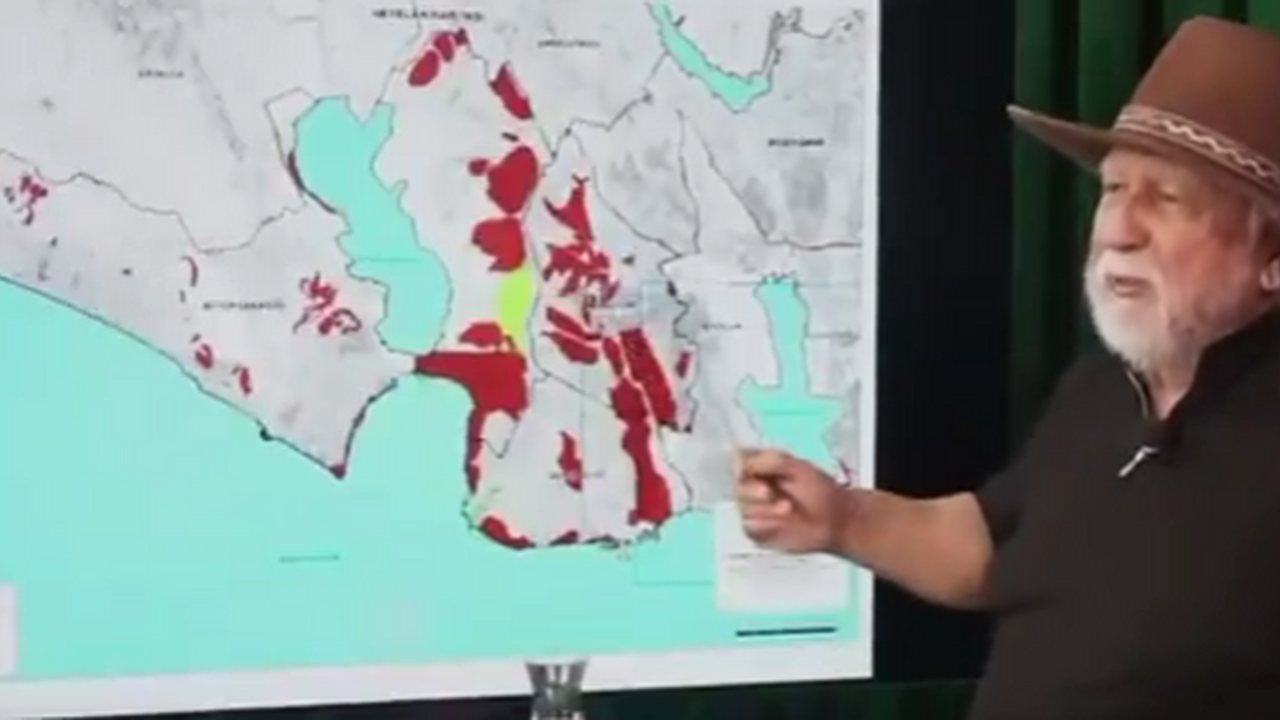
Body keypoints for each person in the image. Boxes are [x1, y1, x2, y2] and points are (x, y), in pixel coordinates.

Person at [737, 16, 1280, 720]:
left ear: (1272, 258)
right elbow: (993, 547)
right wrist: (845, 517)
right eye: (1115, 190)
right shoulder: (1100, 389)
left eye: (1168, 200)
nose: (1117, 231)